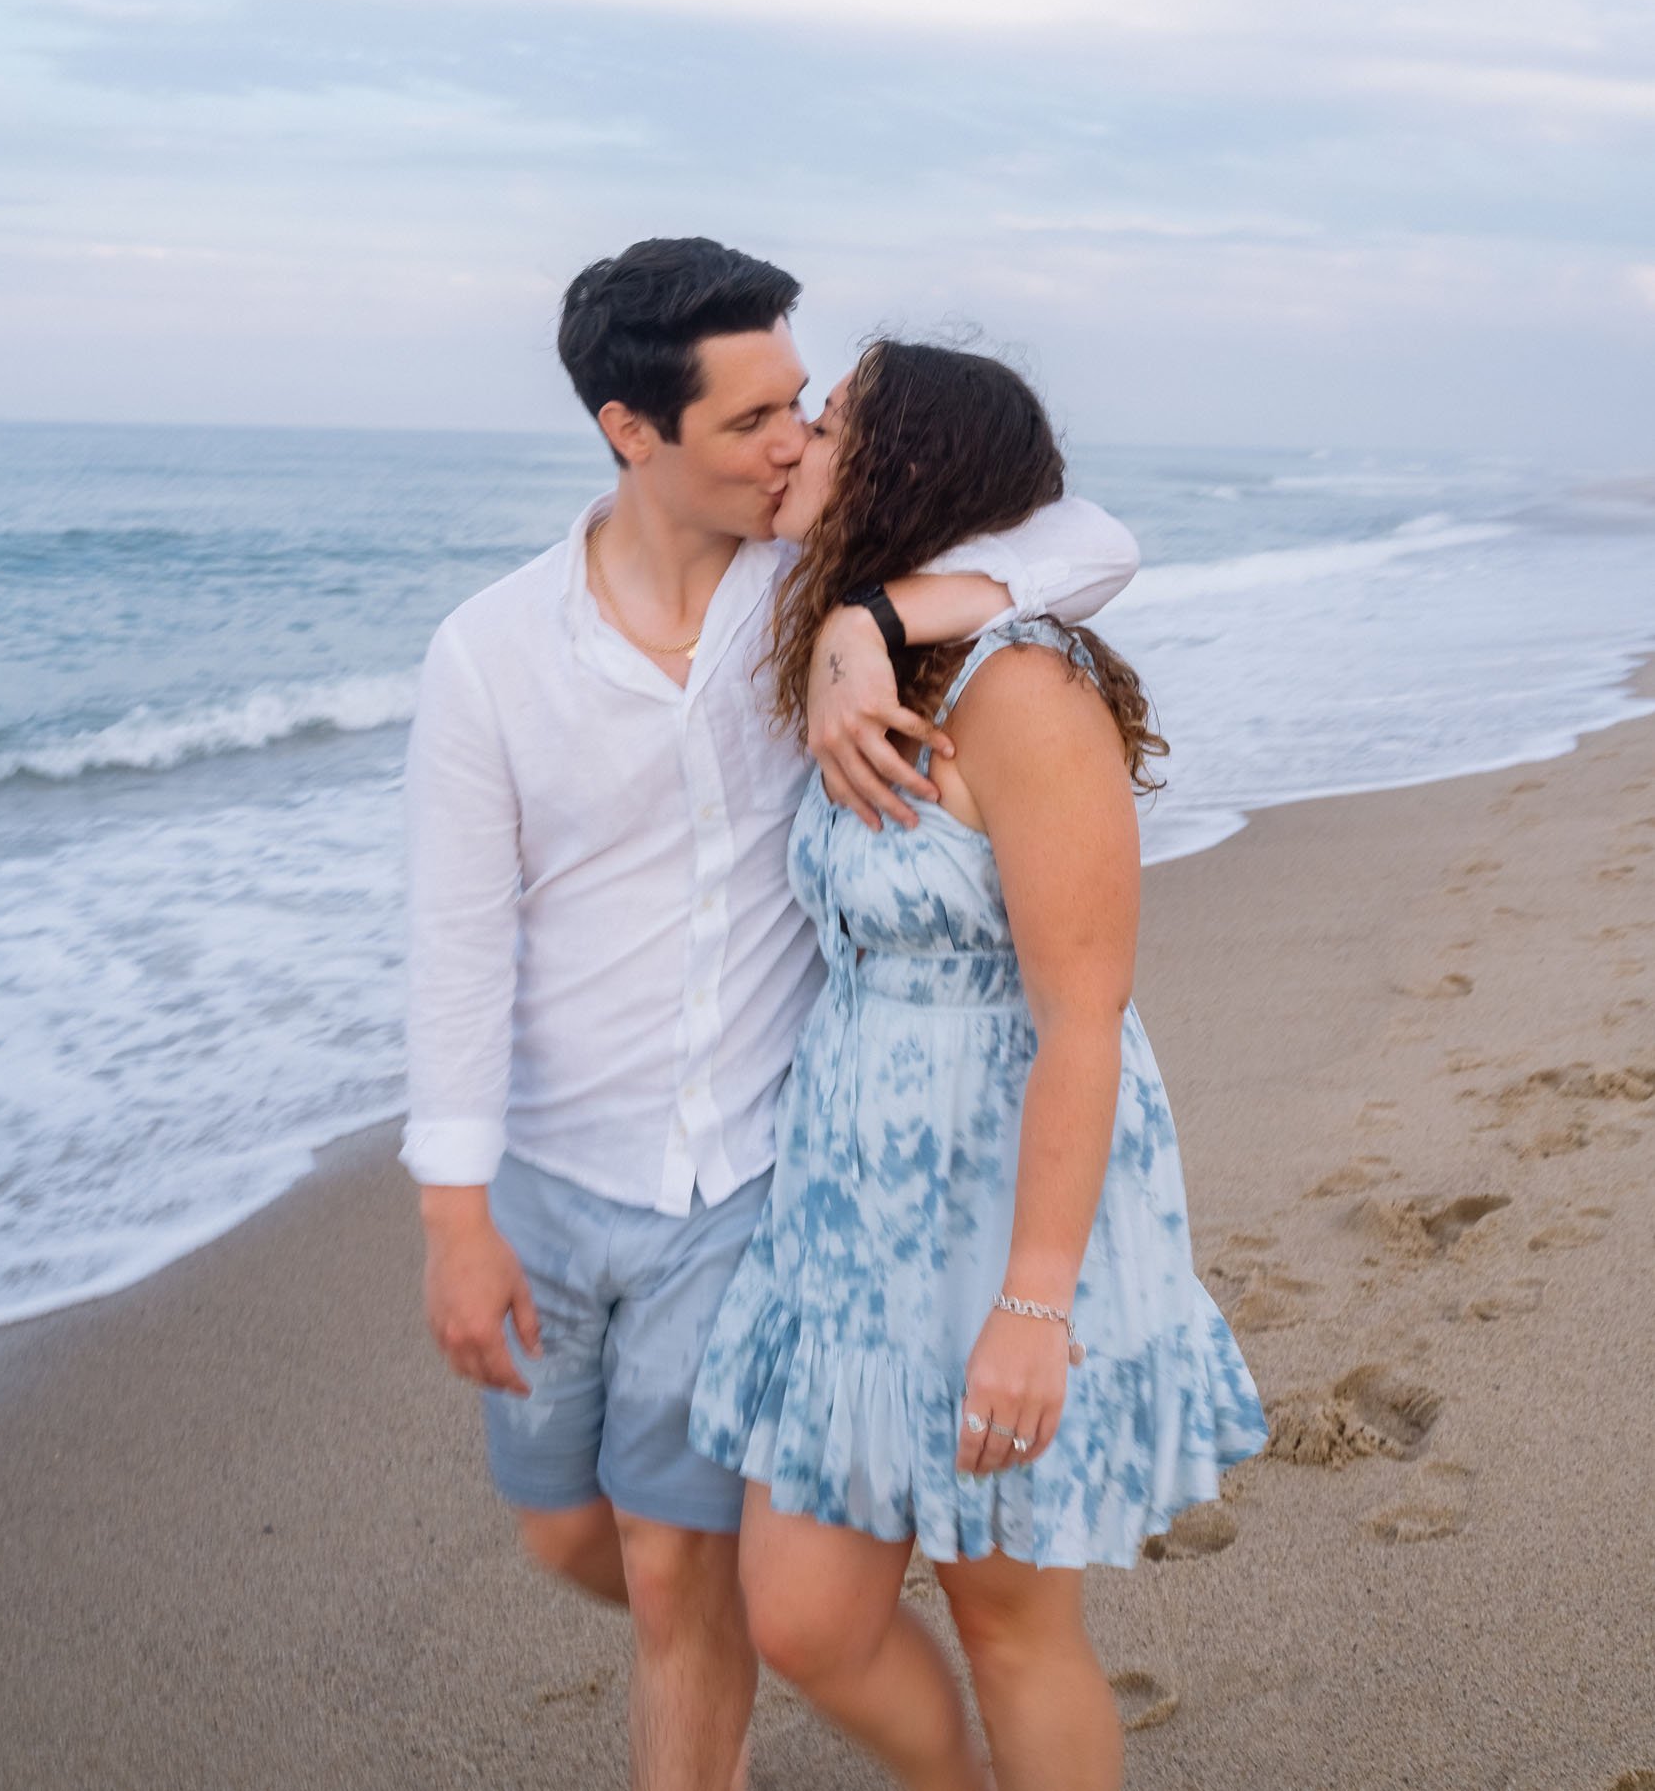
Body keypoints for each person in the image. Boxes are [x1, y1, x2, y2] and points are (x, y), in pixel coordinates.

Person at [402, 239, 1141, 1791]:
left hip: (829, 1177)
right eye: (759, 420)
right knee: (651, 1562)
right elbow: (458, 942)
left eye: (810, 410)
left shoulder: (821, 604)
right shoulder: (502, 651)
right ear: (631, 430)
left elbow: (1096, 538)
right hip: (688, 1186)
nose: (797, 441)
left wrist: (872, 611)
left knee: (807, 1594)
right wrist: (453, 1212)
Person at [689, 339, 1269, 1791]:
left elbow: (1085, 1010)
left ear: (906, 467)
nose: (796, 440)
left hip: (1006, 1195)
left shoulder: (1017, 689)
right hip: (848, 1201)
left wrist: (1033, 1304)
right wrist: (857, 619)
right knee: (806, 1617)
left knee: (1010, 1620)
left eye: (828, 422)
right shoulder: (834, 640)